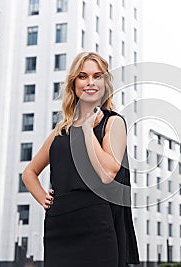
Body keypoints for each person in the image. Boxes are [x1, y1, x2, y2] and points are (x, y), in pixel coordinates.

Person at [22, 52, 139, 267]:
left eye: (97, 76)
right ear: (74, 83)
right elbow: (29, 173)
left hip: (96, 226)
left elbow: (107, 174)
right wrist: (43, 199)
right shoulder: (61, 130)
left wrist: (86, 130)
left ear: (105, 83)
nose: (90, 82)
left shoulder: (114, 123)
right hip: (59, 226)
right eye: (83, 76)